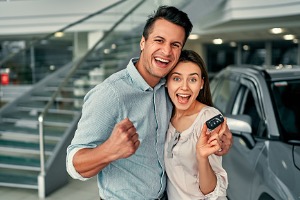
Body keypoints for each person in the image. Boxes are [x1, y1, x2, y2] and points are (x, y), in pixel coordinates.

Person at [66, 6, 232, 199]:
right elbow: (73, 164)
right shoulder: (110, 94)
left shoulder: (169, 87)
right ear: (143, 42)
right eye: (159, 40)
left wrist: (222, 139)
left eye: (175, 44)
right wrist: (109, 151)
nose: (166, 51)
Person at [165, 49, 228, 199]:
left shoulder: (208, 119)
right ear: (166, 82)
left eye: (192, 79)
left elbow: (210, 191)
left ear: (201, 83)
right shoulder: (165, 113)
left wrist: (202, 157)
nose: (185, 87)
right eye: (176, 78)